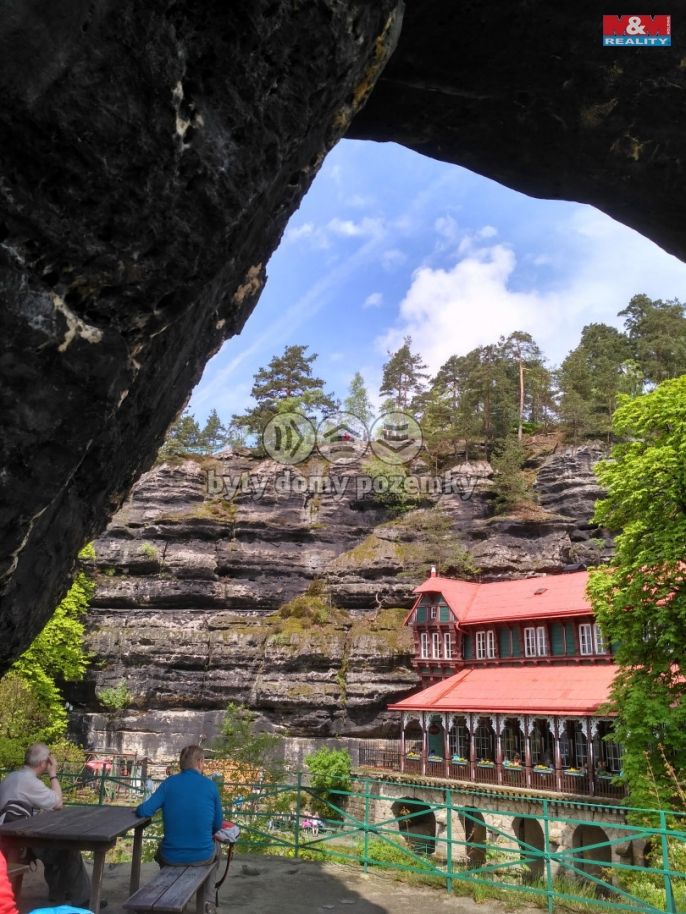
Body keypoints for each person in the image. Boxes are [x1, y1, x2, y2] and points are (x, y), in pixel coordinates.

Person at [0, 743, 91, 906]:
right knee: (66, 848)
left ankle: (58, 894)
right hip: (21, 841)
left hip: (8, 835)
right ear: (43, 763)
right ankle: (83, 900)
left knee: (55, 847)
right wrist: (53, 774)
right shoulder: (30, 782)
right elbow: (58, 803)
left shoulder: (11, 777)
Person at [135, 745, 222, 866]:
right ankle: (210, 879)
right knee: (218, 848)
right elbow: (217, 825)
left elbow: (144, 811)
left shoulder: (168, 783)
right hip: (203, 856)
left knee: (161, 848)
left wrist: (138, 809)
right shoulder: (211, 786)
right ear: (199, 762)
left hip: (171, 857)